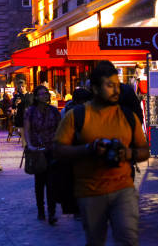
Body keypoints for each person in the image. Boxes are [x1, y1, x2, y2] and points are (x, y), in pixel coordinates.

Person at [54, 61, 149, 245]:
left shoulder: (128, 116)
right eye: (109, 85)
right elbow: (58, 149)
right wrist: (89, 149)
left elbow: (144, 151)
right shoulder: (77, 116)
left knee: (128, 239)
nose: (116, 90)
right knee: (96, 240)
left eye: (117, 85)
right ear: (96, 89)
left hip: (123, 190)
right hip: (90, 192)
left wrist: (127, 154)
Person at [24, 85, 61, 225]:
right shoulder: (30, 112)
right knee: (40, 182)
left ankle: (51, 212)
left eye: (46, 93)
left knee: (51, 183)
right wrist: (30, 145)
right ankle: (41, 210)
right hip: (38, 151)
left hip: (51, 149)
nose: (45, 96)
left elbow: (60, 127)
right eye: (41, 94)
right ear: (36, 97)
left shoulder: (53, 111)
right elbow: (27, 129)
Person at [12, 81, 34, 146]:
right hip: (21, 117)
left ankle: (30, 146)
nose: (21, 88)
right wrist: (16, 103)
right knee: (23, 134)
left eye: (23, 86)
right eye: (20, 87)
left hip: (30, 117)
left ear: (26, 86)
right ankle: (25, 148)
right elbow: (13, 107)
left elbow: (34, 105)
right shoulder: (17, 96)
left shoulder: (31, 95)